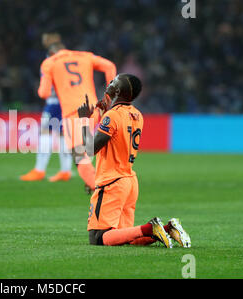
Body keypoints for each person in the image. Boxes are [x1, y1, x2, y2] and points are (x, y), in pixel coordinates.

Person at [77, 73, 191, 248]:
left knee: (98, 238)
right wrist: (105, 110)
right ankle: (168, 229)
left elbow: (91, 149)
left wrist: (84, 121)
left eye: (114, 81)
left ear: (118, 90)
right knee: (124, 238)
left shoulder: (113, 116)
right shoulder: (137, 115)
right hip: (129, 181)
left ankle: (150, 228)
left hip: (111, 182)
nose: (110, 82)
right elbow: (116, 134)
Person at [37, 38, 116, 192]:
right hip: (93, 110)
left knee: (78, 154)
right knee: (86, 148)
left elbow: (44, 93)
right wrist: (109, 97)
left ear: (51, 53)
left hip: (72, 113)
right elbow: (110, 66)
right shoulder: (85, 56)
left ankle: (98, 188)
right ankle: (98, 182)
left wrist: (47, 79)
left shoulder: (49, 62)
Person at [20, 33, 72, 182]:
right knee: (63, 135)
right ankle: (65, 171)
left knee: (45, 133)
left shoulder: (51, 62)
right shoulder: (70, 61)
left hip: (55, 102)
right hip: (68, 102)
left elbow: (46, 88)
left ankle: (39, 170)